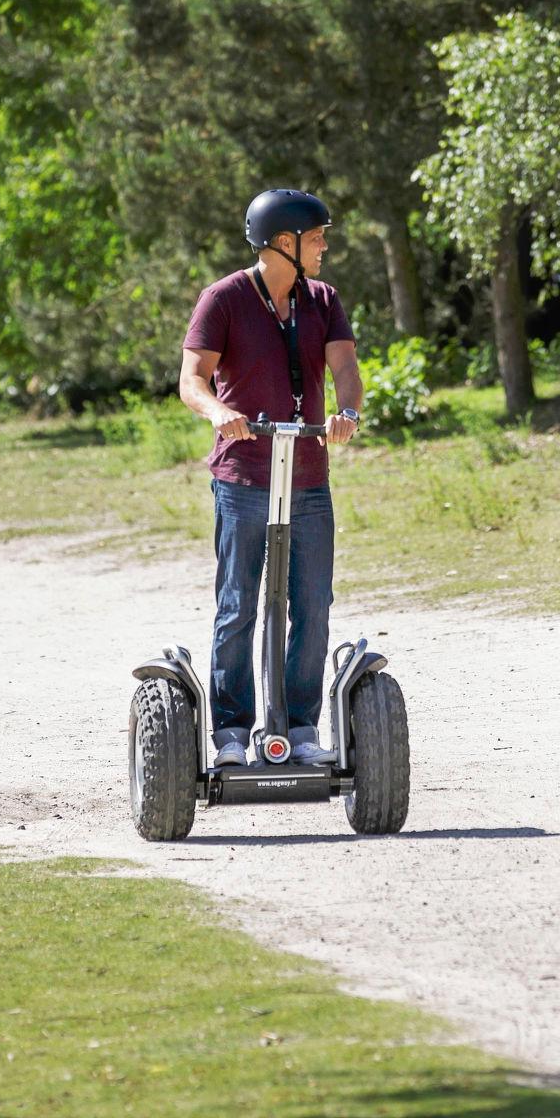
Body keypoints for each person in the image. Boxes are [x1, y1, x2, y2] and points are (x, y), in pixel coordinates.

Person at [179, 188, 364, 767]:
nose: (325, 246)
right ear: (285, 244)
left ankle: (301, 727)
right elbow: (192, 380)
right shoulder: (224, 299)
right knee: (239, 603)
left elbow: (346, 371)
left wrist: (346, 414)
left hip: (307, 474)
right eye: (317, 238)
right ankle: (232, 732)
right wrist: (218, 412)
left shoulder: (323, 299)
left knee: (312, 603)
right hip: (243, 475)